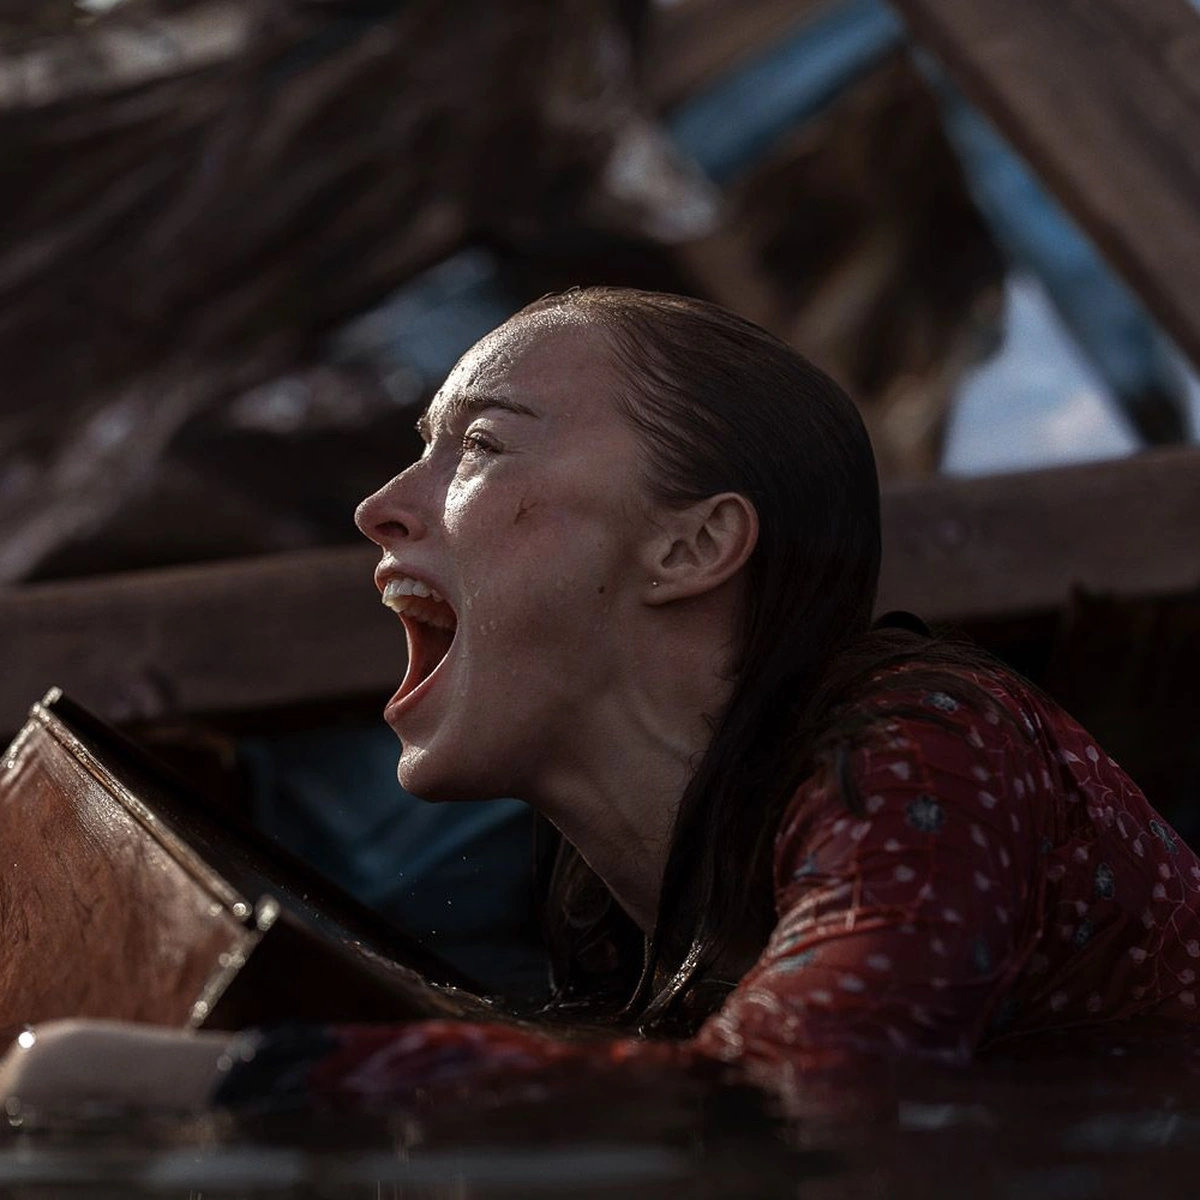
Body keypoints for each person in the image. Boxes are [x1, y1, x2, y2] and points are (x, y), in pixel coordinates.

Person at [3, 288, 1198, 1113]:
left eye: (477, 448)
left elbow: (806, 1094)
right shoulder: (616, 885)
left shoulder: (929, 747)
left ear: (692, 549)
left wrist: (257, 1081)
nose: (381, 505)